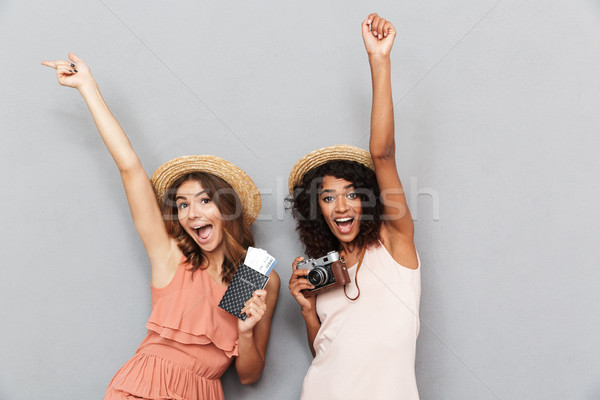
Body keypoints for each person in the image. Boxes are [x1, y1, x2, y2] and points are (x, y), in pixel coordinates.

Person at [42, 54, 280, 400]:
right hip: (144, 385)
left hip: (203, 391)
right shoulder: (172, 256)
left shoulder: (254, 275)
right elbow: (130, 169)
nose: (192, 213)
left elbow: (249, 375)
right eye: (182, 205)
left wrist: (245, 332)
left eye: (204, 200)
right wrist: (87, 88)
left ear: (226, 208)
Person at [287, 14, 420, 399]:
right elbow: (325, 352)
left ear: (368, 199)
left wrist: (379, 61)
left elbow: (383, 155)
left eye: (351, 193)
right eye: (328, 197)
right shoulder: (325, 270)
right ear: (317, 210)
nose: (340, 205)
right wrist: (308, 310)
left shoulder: (395, 243)